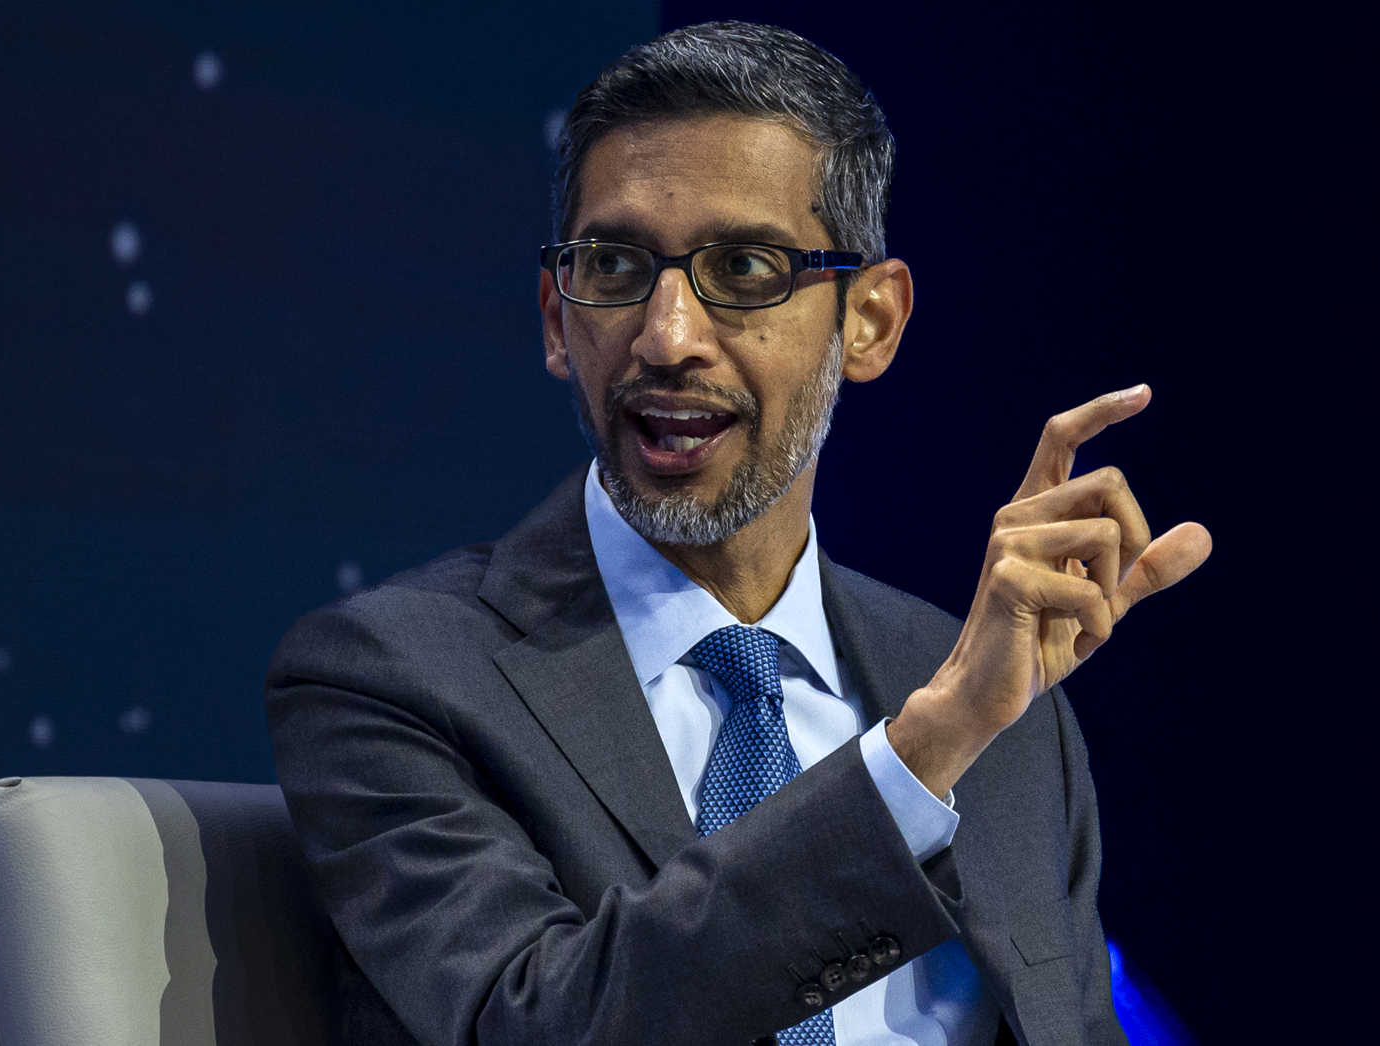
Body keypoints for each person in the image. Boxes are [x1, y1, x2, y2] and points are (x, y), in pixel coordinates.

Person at [266, 21, 1212, 1046]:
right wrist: (918, 757)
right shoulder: (395, 678)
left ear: (870, 322)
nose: (667, 336)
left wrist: (961, 726)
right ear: (554, 317)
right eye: (615, 264)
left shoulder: (1014, 723)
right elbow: (537, 1024)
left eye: (746, 266)